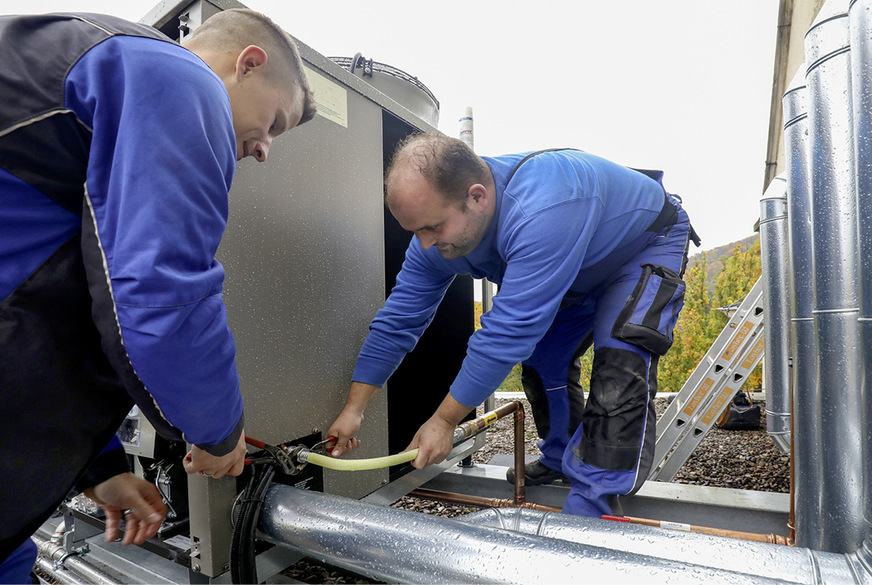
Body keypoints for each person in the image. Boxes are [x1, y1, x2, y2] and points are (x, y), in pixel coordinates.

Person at [0, 8, 316, 580]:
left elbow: (71, 287)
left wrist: (98, 466)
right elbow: (159, 294)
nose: (266, 150)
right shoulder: (173, 75)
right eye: (274, 121)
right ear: (248, 64)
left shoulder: (91, 68)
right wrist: (218, 431)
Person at [327, 133, 697, 518]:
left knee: (620, 368)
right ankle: (560, 458)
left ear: (477, 197)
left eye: (433, 228)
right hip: (575, 269)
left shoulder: (545, 206)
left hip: (641, 246)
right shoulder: (432, 241)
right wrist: (355, 409)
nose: (424, 244)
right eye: (415, 231)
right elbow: (398, 321)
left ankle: (593, 506)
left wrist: (444, 421)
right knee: (544, 363)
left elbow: (506, 334)